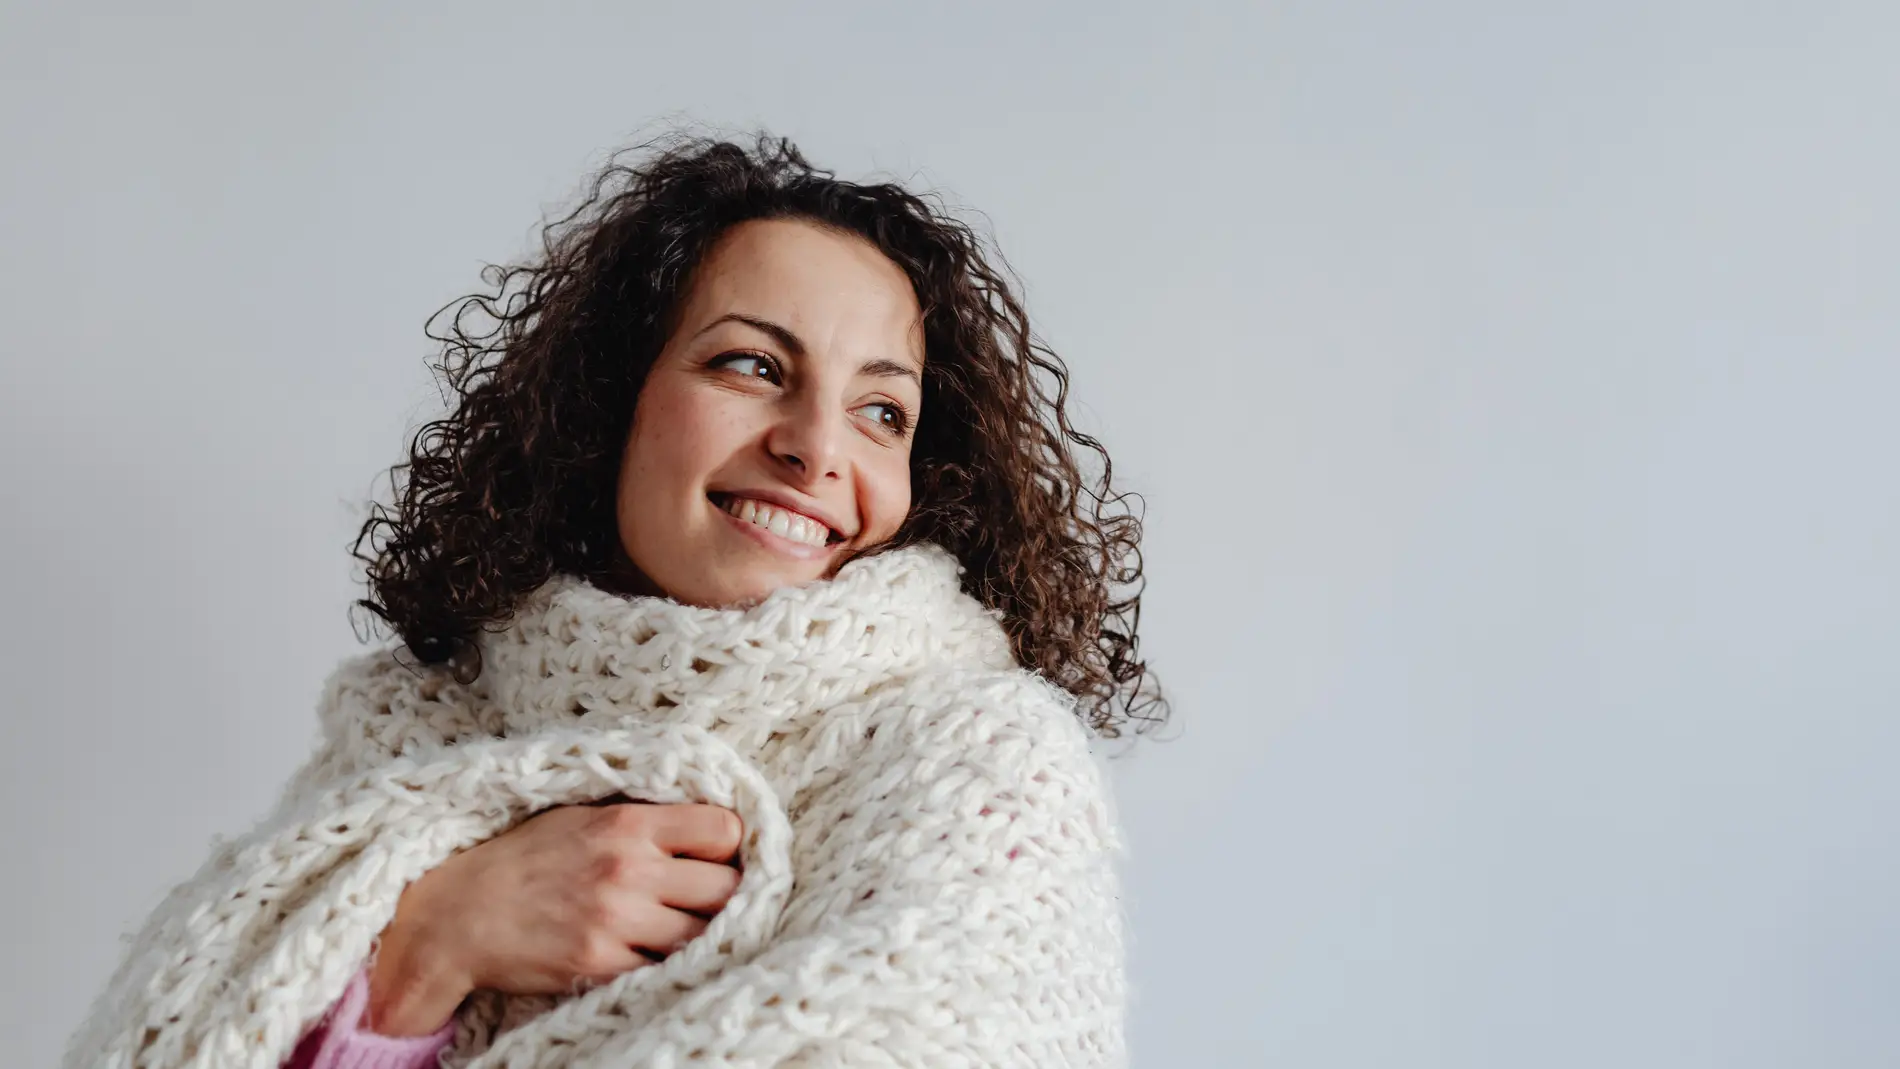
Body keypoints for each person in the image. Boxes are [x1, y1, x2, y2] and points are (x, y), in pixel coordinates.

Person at [66, 131, 1165, 1069]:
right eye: (751, 366)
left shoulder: (983, 771)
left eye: (883, 411)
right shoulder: (412, 751)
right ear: (610, 407)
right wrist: (424, 949)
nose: (816, 447)